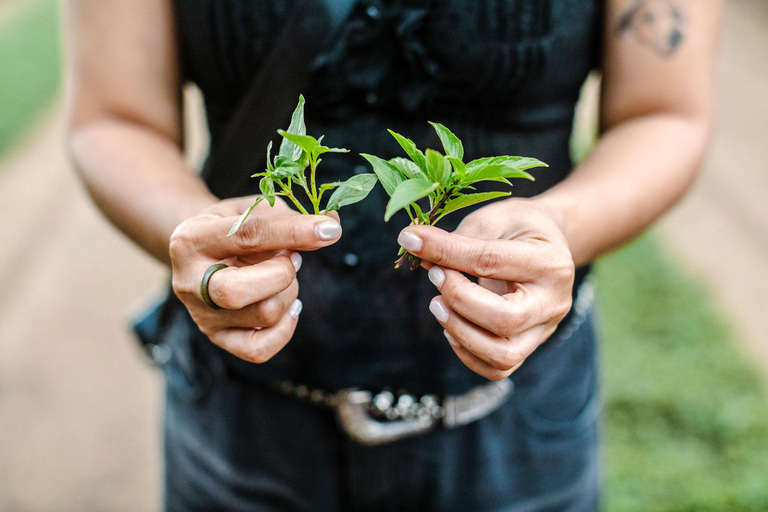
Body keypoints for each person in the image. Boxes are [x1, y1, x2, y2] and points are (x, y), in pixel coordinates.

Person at [65, 1, 723, 510]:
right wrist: (200, 228)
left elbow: (664, 111)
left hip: (518, 412)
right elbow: (114, 117)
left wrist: (560, 224)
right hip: (244, 415)